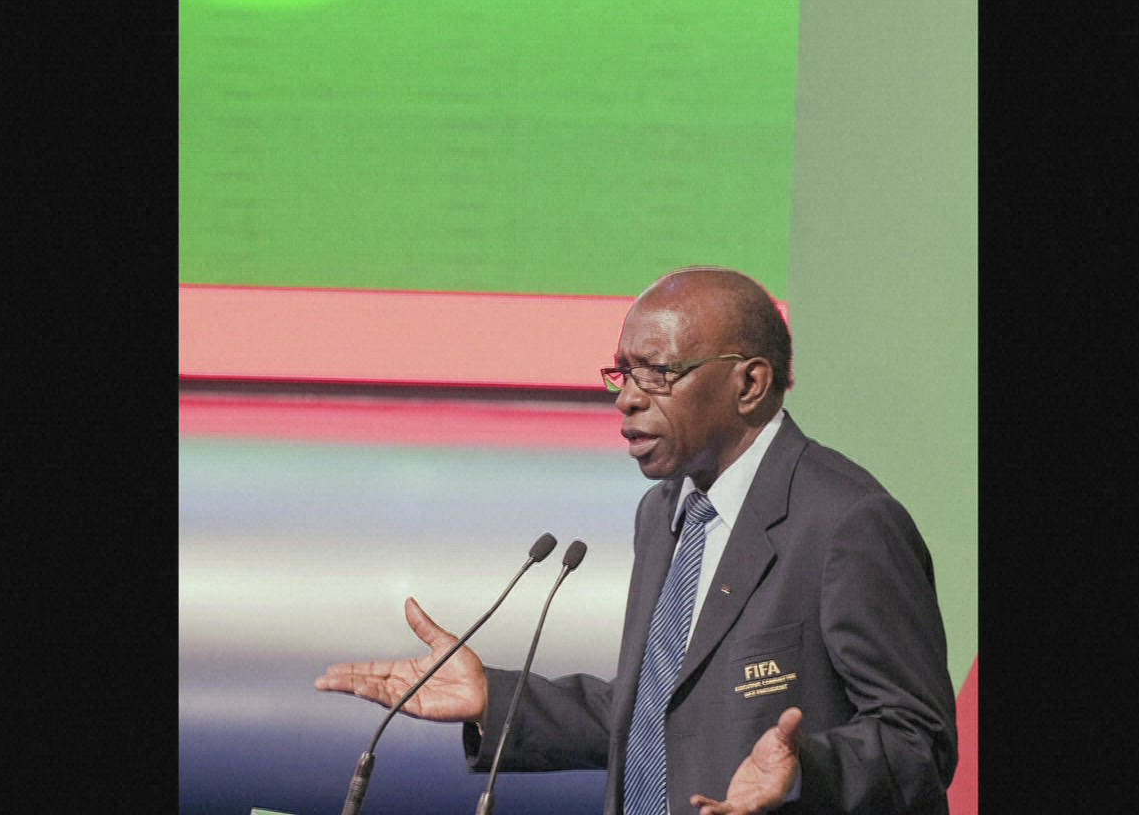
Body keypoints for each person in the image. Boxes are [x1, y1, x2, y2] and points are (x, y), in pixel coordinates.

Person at [316, 268, 957, 814]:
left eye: (657, 373)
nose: (626, 399)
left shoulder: (847, 522)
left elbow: (918, 741)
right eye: (622, 374)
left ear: (750, 384)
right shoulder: (664, 512)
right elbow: (660, 711)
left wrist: (802, 771)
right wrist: (496, 700)